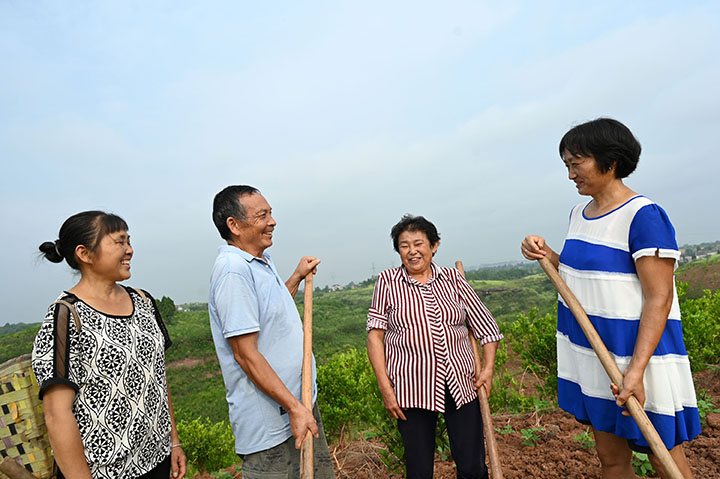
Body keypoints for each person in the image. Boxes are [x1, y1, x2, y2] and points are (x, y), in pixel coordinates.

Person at [521, 118, 700, 478]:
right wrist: (548, 255)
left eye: (577, 163)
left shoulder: (644, 216)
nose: (571, 174)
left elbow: (659, 298)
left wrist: (636, 371)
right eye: (567, 165)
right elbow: (586, 275)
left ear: (611, 161)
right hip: (597, 356)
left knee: (662, 453)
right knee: (610, 456)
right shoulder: (579, 214)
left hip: (639, 358)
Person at [31, 211, 186, 479]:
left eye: (129, 241)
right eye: (119, 242)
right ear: (85, 253)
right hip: (107, 472)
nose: (130, 250)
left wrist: (174, 441)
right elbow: (57, 415)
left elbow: (158, 377)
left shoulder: (143, 301)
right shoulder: (66, 316)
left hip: (158, 459)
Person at [208, 185, 334, 479]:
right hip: (274, 423)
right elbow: (245, 355)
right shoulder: (233, 272)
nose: (272, 222)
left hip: (297, 407)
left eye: (271, 213)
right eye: (262, 215)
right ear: (234, 226)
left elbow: (270, 311)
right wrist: (294, 408)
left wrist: (295, 278)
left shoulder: (259, 263)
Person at [367, 214, 503, 479]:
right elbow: (375, 337)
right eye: (404, 245)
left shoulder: (453, 279)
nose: (412, 251)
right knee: (418, 470)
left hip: (461, 384)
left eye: (419, 243)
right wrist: (386, 388)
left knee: (472, 466)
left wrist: (487, 369)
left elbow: (486, 326)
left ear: (434, 245)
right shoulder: (387, 282)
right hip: (411, 386)